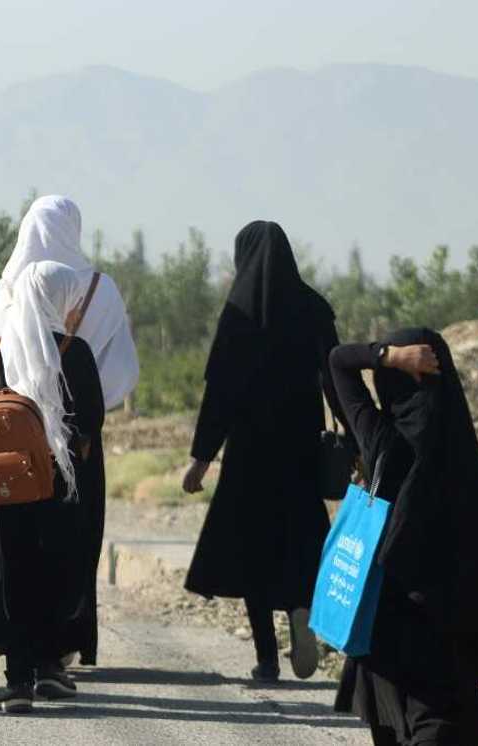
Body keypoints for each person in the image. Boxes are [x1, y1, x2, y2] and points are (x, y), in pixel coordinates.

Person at [181, 220, 345, 682]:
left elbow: (221, 394)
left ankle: (267, 658)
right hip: (298, 451)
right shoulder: (313, 307)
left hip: (249, 454)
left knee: (253, 549)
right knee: (298, 536)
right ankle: (299, 608)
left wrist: (201, 458)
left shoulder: (239, 312)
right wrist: (358, 438)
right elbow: (335, 378)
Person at [0, 194, 139, 669]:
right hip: (79, 441)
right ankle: (64, 641)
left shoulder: (6, 290)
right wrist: (76, 410)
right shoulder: (101, 290)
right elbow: (121, 370)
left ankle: (11, 638)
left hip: (14, 440)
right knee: (73, 538)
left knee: (13, 539)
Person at [329, 330, 478, 745]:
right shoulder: (463, 458)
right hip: (447, 633)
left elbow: (338, 362)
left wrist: (386, 356)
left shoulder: (383, 437)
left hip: (384, 625)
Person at [0, 260, 107, 714]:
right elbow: (91, 421)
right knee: (56, 569)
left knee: (13, 571)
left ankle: (17, 682)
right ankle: (51, 665)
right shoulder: (78, 351)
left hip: (7, 486)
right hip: (59, 485)